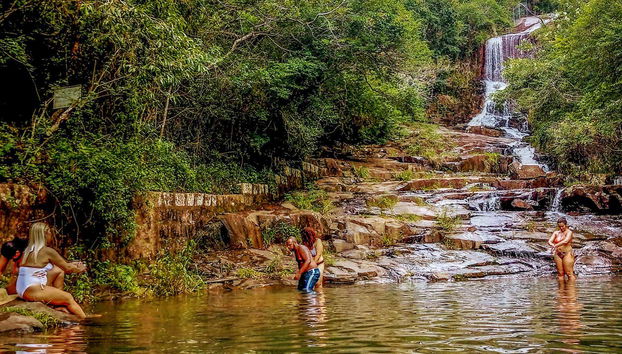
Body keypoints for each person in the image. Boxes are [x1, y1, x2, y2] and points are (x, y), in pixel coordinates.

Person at [17, 222, 88, 319]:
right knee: (68, 297)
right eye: (50, 231)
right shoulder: (47, 251)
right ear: (45, 234)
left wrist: (74, 264)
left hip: (22, 288)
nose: (51, 234)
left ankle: (57, 304)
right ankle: (86, 321)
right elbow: (68, 269)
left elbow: (63, 265)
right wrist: (81, 268)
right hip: (31, 290)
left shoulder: (28, 250)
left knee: (58, 271)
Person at [0, 238, 66, 295]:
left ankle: (57, 297)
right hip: (26, 282)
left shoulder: (33, 254)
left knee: (58, 271)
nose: (12, 259)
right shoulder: (9, 250)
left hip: (38, 279)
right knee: (8, 291)